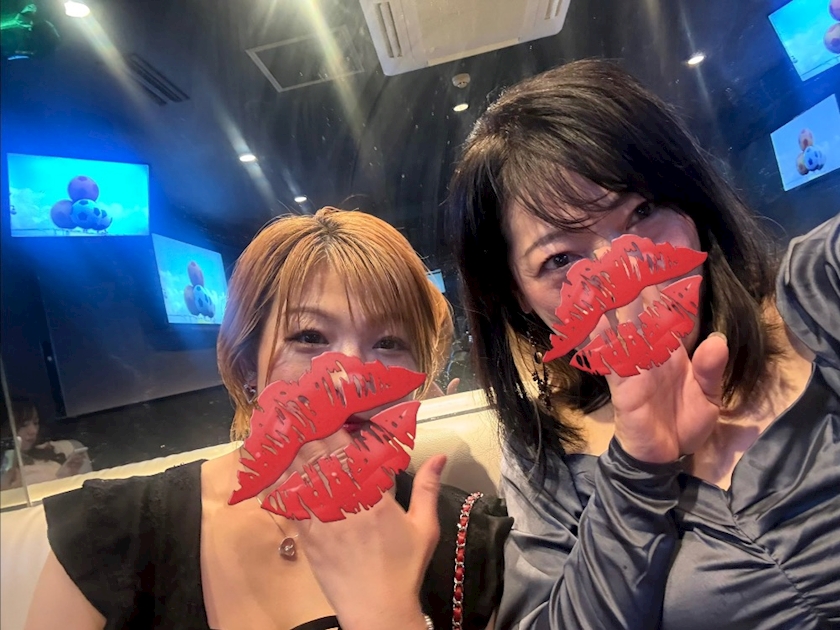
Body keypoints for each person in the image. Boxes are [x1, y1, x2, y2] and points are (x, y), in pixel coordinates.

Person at [449, 59, 839, 629]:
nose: (623, 271)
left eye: (643, 211)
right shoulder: (545, 456)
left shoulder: (817, 292)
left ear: (689, 201)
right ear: (517, 295)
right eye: (561, 258)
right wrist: (637, 468)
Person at [26, 207, 511, 630]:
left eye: (388, 343)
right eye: (310, 337)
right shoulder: (112, 531)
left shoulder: (469, 541)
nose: (348, 377)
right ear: (246, 366)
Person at [0, 397, 92, 490]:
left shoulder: (48, 453)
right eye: (23, 425)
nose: (33, 431)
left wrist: (66, 476)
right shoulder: (6, 471)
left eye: (36, 423)